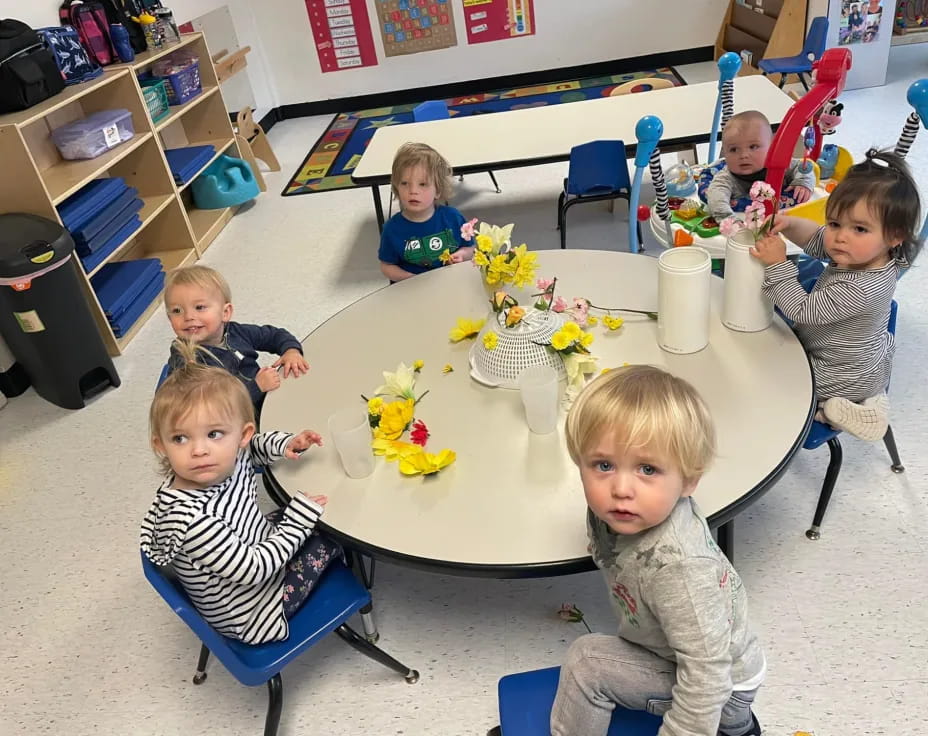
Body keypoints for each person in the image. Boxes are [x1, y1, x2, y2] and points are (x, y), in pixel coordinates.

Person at [551, 365, 765, 736]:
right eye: (603, 464)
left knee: (587, 663)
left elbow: (708, 677)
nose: (620, 488)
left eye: (647, 469)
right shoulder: (621, 511)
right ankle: (741, 729)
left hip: (721, 685)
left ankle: (734, 723)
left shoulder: (679, 569)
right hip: (715, 661)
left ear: (689, 480)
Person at [140, 343, 341, 644]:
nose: (199, 450)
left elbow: (250, 453)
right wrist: (299, 521)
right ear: (161, 446)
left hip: (252, 546)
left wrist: (287, 444)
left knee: (303, 508)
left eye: (214, 434)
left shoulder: (218, 459)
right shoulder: (191, 521)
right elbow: (255, 568)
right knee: (333, 529)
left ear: (242, 435)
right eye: (180, 438)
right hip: (254, 610)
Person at [751, 148, 922, 441]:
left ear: (895, 236)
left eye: (859, 228)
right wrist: (790, 224)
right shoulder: (862, 252)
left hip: (840, 374)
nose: (840, 236)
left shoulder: (863, 287)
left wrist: (779, 265)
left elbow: (804, 311)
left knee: (778, 381)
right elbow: (817, 239)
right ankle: (870, 398)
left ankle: (830, 410)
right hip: (863, 357)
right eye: (834, 223)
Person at [162, 265, 308, 408]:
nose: (188, 316)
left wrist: (291, 351)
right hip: (241, 423)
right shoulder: (187, 362)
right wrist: (256, 387)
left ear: (225, 312)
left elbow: (274, 335)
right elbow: (213, 410)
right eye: (177, 311)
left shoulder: (235, 331)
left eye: (199, 307)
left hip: (267, 399)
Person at [378, 142, 474, 282]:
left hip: (450, 282)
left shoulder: (453, 217)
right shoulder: (392, 228)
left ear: (438, 191)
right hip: (413, 291)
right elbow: (386, 266)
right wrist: (411, 279)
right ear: (396, 187)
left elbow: (470, 249)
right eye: (405, 183)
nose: (413, 191)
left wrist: (461, 255)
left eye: (422, 184)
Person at [706, 110, 816, 219]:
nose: (743, 155)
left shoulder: (780, 165)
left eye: (753, 147)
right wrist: (731, 222)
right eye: (734, 149)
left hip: (787, 219)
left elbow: (803, 167)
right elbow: (716, 198)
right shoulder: (725, 178)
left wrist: (803, 182)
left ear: (772, 148)